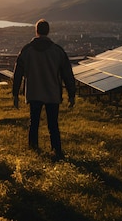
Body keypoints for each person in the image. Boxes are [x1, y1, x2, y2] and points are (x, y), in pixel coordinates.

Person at [12, 19, 76, 159]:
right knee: (53, 124)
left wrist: (15, 94)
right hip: (52, 92)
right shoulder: (57, 51)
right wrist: (72, 94)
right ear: (48, 31)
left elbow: (17, 73)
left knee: (33, 122)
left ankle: (33, 149)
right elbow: (67, 74)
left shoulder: (27, 50)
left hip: (34, 92)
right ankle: (57, 150)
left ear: (36, 31)